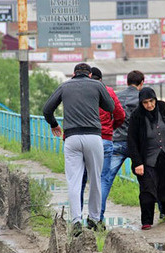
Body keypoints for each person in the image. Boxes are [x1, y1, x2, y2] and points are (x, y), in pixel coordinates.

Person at [43, 63, 114, 237]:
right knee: (95, 180)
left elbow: (47, 110)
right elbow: (110, 107)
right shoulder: (97, 85)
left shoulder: (64, 86)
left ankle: (75, 221)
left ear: (74, 74)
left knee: (74, 181)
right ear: (90, 74)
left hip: (71, 138)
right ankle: (95, 219)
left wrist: (54, 124)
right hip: (93, 137)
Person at [127, 87, 165, 230]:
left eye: (151, 101)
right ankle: (146, 221)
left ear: (155, 99)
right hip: (147, 160)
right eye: (145, 102)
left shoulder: (164, 108)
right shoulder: (137, 116)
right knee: (147, 190)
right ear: (141, 103)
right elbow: (132, 141)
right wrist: (137, 162)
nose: (149, 105)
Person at [80, 67, 125, 229]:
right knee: (102, 179)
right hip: (105, 138)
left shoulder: (81, 92)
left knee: (82, 178)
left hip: (83, 138)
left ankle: (78, 218)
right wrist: (111, 128)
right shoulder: (108, 91)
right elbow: (120, 114)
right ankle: (97, 217)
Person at [105, 70, 144, 200]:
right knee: (149, 180)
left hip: (116, 140)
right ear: (142, 83)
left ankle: (97, 216)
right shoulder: (143, 99)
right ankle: (163, 212)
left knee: (106, 179)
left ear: (127, 82)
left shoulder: (116, 96)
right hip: (138, 145)